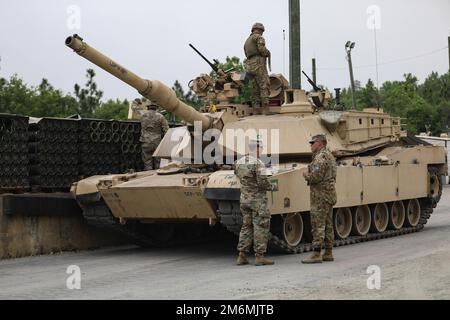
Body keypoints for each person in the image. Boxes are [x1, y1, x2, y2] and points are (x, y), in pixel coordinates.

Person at [234, 138, 274, 266]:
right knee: (260, 226)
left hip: (244, 199)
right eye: (261, 148)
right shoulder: (258, 163)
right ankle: (259, 256)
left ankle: (242, 255)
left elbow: (238, 175)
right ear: (257, 148)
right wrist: (271, 186)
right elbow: (263, 182)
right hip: (257, 201)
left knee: (247, 226)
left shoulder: (239, 162)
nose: (262, 151)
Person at [302, 134, 337, 264]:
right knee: (328, 225)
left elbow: (315, 177)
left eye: (313, 143)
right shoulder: (329, 155)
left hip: (320, 197)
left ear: (320, 143)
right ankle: (328, 252)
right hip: (328, 195)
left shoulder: (321, 158)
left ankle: (316, 253)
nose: (310, 145)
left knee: (318, 224)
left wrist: (306, 175)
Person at [244, 22, 271, 108]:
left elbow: (246, 53)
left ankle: (256, 108)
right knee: (264, 84)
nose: (262, 33)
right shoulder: (259, 37)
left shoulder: (247, 41)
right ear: (259, 30)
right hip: (258, 63)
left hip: (249, 65)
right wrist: (267, 52)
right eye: (262, 31)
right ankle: (265, 108)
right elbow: (261, 49)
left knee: (254, 87)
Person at [139, 104, 169, 170]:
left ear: (148, 107)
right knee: (158, 162)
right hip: (157, 141)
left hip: (145, 140)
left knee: (147, 161)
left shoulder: (142, 115)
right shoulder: (161, 116)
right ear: (156, 108)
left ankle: (148, 175)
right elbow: (166, 130)